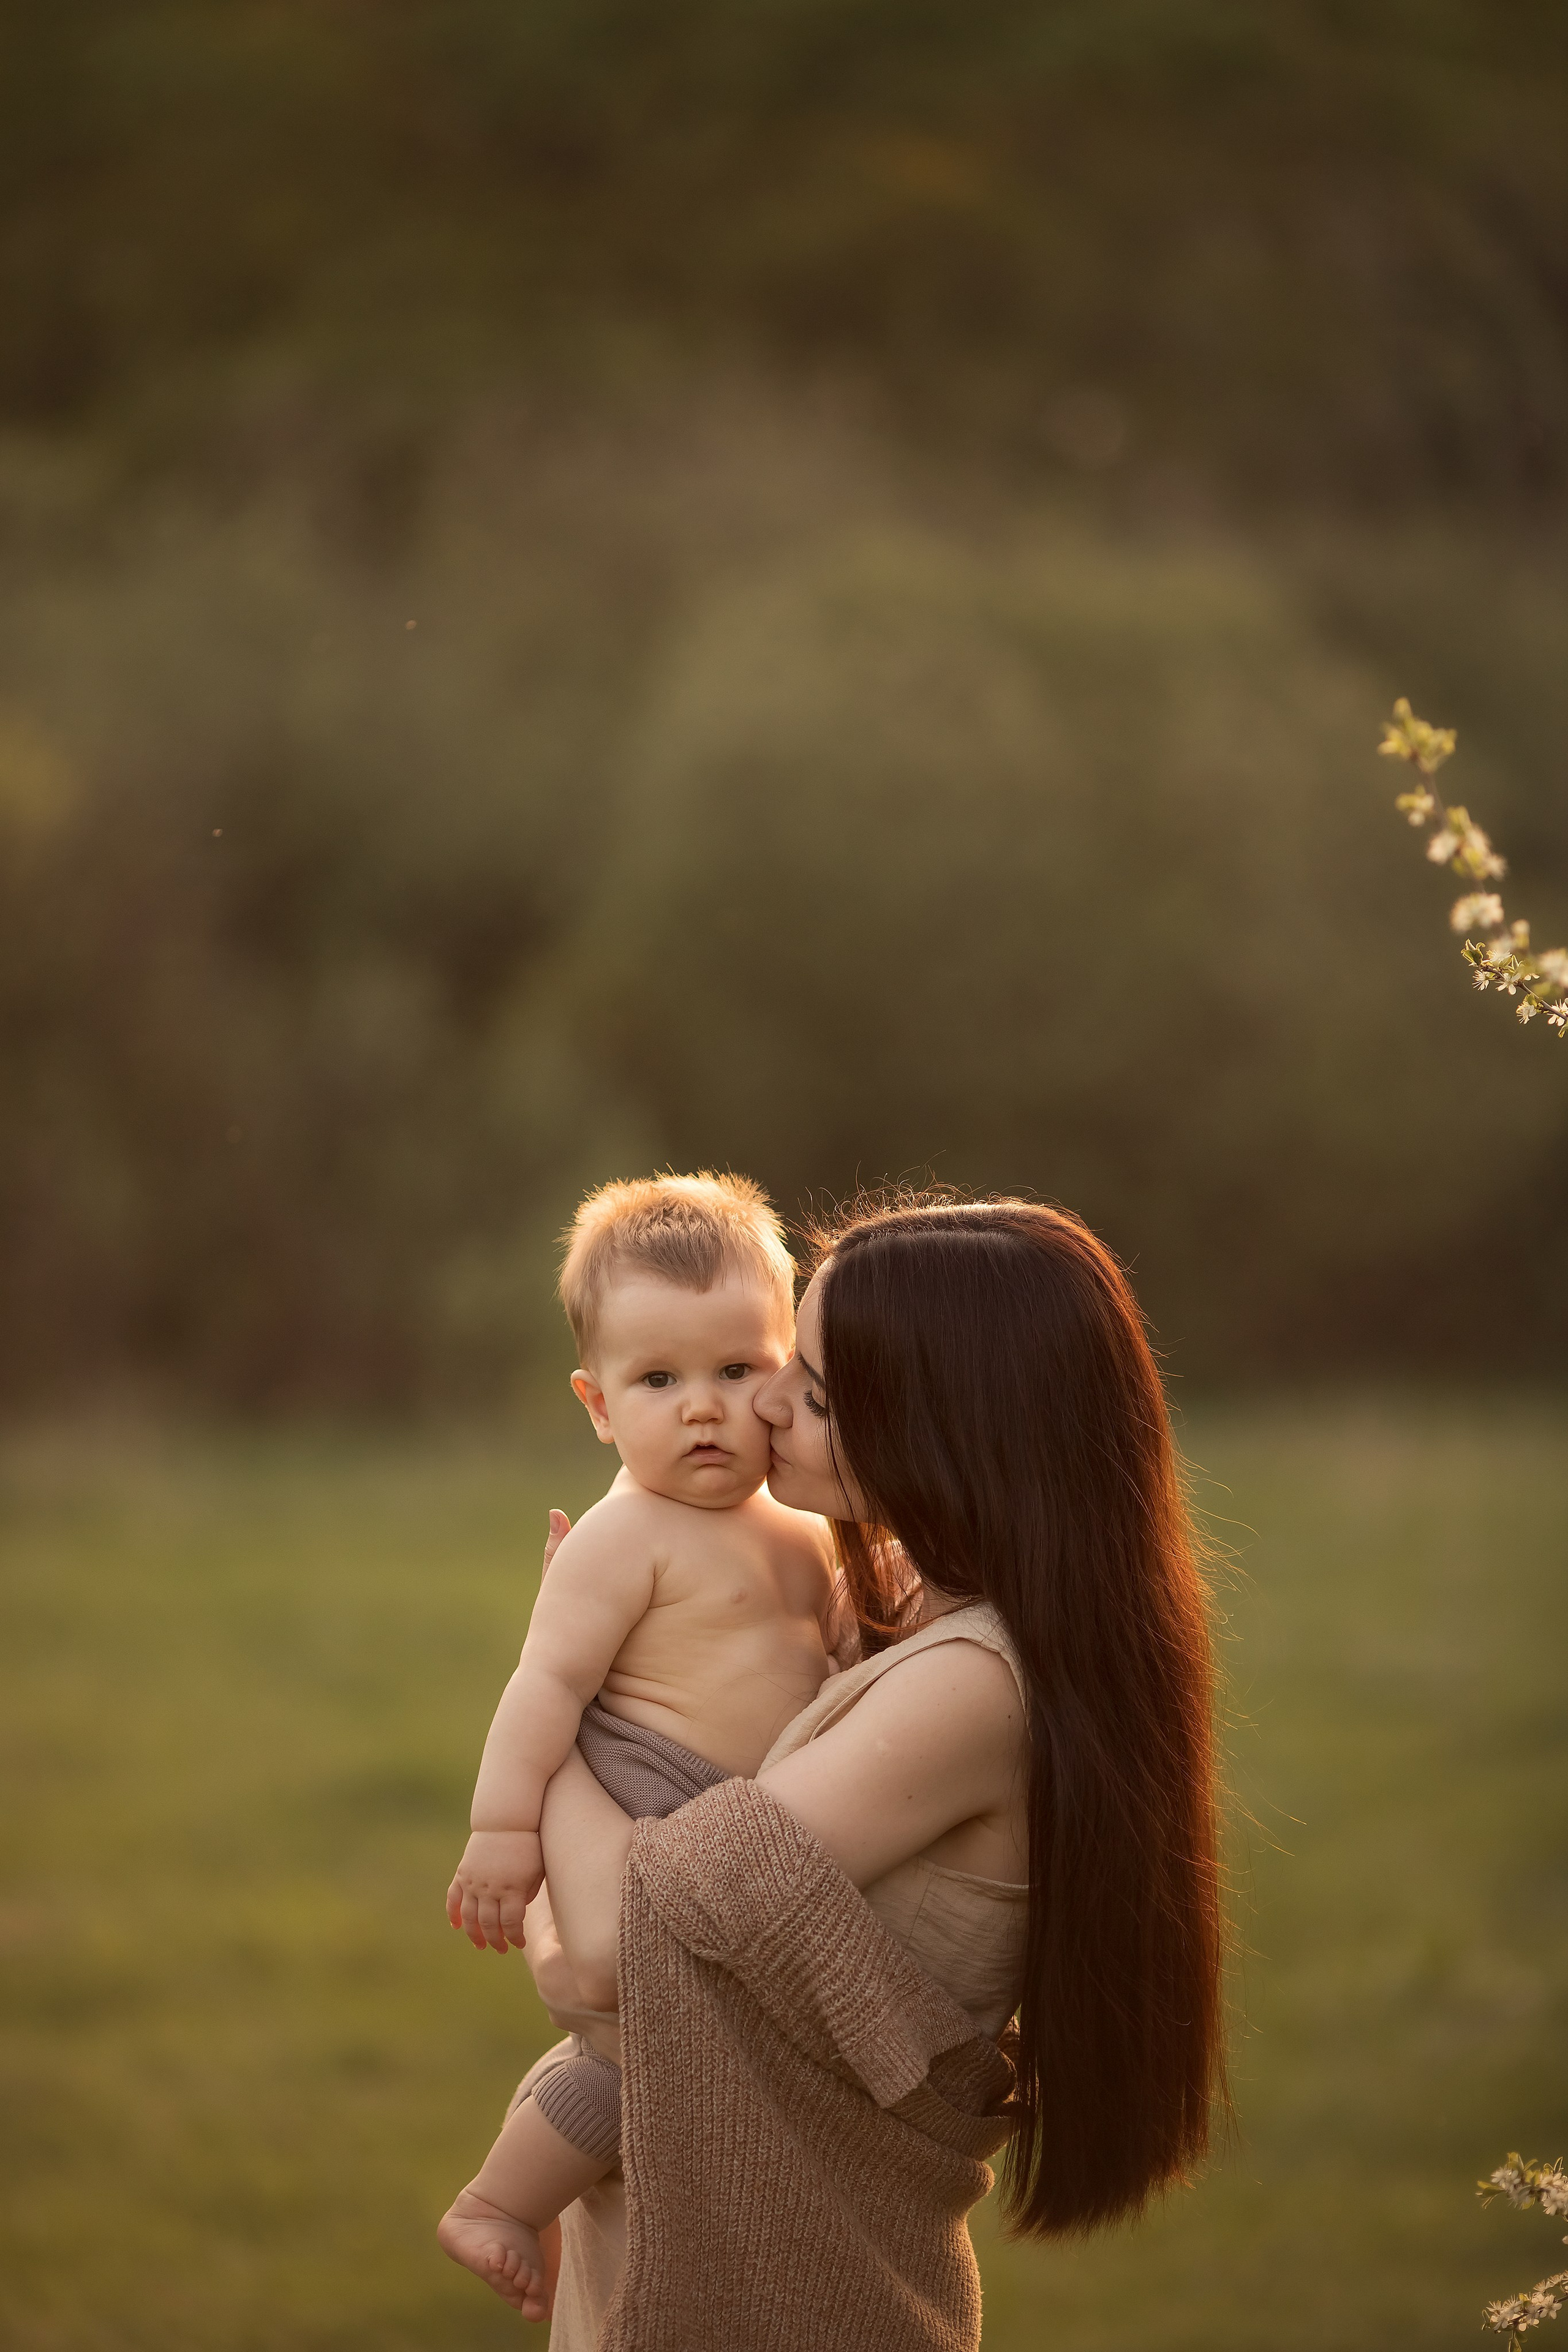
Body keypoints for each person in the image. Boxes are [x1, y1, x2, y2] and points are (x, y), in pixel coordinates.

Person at [530, 1194, 1226, 2348]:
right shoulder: (901, 1600)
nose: (767, 1407)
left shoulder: (972, 1685)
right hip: (698, 2259)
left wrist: (559, 1687)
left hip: (798, 2293)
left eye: (814, 1389)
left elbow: (604, 1953)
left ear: (943, 1424)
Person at [437, 1174, 838, 2321]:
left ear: (792, 1373)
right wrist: (504, 1833)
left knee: (711, 2066)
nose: (702, 1409)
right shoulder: (626, 1536)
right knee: (630, 2054)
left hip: (748, 1827)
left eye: (736, 1371)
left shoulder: (808, 1529)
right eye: (658, 1381)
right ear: (599, 1404)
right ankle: (496, 2202)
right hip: (645, 1803)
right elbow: (544, 1687)